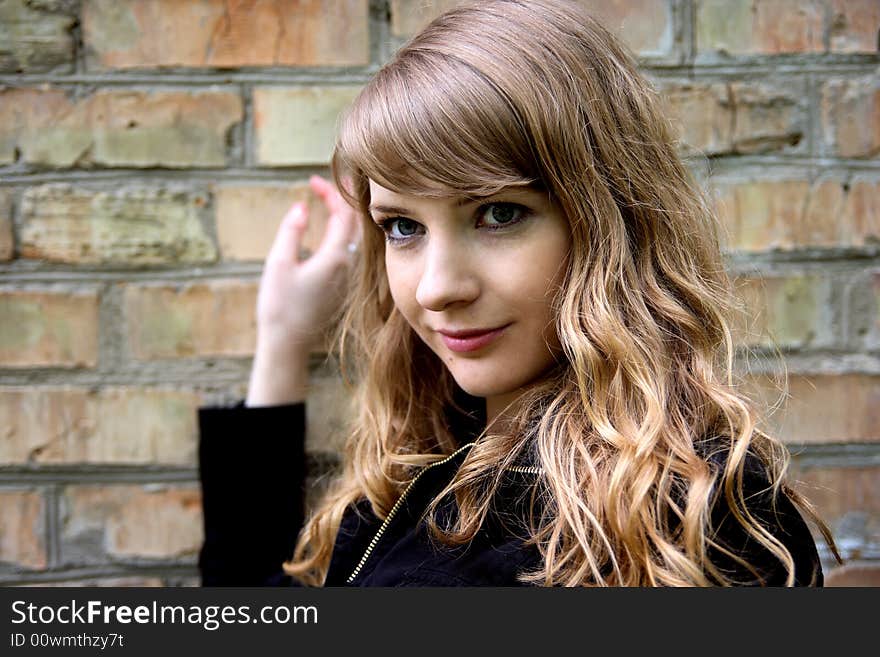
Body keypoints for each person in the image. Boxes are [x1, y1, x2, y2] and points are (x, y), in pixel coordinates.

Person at [198, 0, 840, 587]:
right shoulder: (425, 476)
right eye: (403, 227)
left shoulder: (694, 517)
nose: (437, 288)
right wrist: (283, 341)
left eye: (499, 214)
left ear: (607, 220)